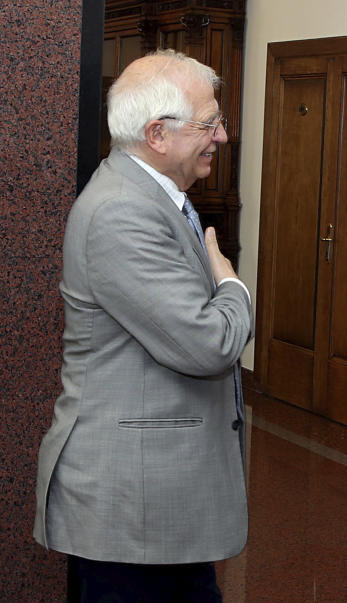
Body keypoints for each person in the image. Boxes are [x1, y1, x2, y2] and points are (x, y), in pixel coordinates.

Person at [33, 49, 252, 601]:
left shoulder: (156, 197)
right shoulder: (121, 213)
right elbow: (211, 343)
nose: (222, 136)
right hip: (133, 508)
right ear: (158, 134)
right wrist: (233, 286)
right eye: (210, 122)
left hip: (159, 505)